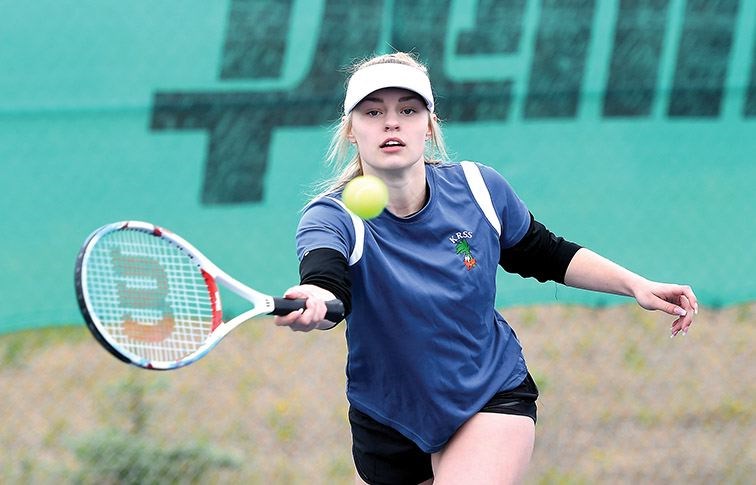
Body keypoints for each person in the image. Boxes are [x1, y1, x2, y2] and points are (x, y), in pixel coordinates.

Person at [274, 52, 698, 485]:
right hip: (389, 417)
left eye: (407, 109)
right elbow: (327, 283)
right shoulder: (332, 217)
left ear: (429, 123)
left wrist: (636, 285)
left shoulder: (478, 189)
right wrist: (315, 300)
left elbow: (546, 253)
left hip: (487, 392)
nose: (391, 122)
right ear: (352, 129)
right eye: (373, 111)